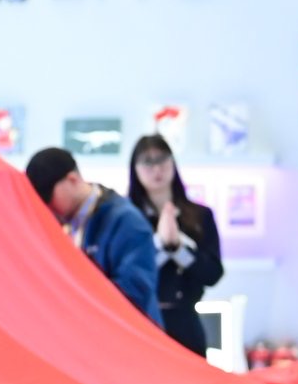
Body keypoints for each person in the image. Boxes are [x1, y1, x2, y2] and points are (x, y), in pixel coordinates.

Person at [25, 147, 163, 328]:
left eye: (48, 198)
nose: (47, 208)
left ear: (72, 179)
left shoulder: (126, 221)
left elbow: (134, 291)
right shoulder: (66, 226)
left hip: (126, 335)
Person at [126, 135, 224, 355]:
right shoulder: (127, 218)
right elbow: (127, 273)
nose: (156, 169)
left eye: (162, 159)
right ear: (135, 168)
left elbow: (213, 274)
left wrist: (178, 249)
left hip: (186, 323)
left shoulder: (200, 215)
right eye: (147, 162)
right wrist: (160, 245)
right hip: (141, 323)